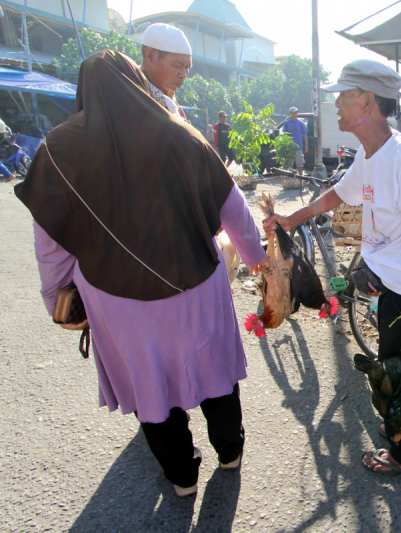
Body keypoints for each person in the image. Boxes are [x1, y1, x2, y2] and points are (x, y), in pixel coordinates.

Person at [14, 51, 267, 498]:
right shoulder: (181, 133)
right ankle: (231, 451)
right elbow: (233, 208)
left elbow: (48, 244)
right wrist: (256, 259)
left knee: (149, 383)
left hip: (116, 298)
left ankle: (182, 477)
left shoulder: (57, 149)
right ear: (137, 80)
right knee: (213, 368)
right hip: (197, 283)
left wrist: (56, 299)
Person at [263, 59, 401, 474]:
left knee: (400, 373)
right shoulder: (371, 152)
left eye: (343, 96)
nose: (337, 104)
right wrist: (293, 220)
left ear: (367, 102)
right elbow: (336, 195)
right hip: (391, 283)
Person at [139, 23, 192, 122]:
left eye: (186, 68)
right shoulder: (134, 98)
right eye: (177, 65)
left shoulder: (170, 101)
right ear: (150, 56)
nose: (183, 75)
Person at [282, 106, 308, 175]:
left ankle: (300, 180)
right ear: (290, 113)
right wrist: (285, 145)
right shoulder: (287, 123)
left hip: (298, 147)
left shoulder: (301, 123)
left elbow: (305, 134)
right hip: (290, 147)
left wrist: (306, 145)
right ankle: (290, 180)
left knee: (299, 165)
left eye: (296, 112)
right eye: (293, 113)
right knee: (290, 165)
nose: (295, 114)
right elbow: (285, 134)